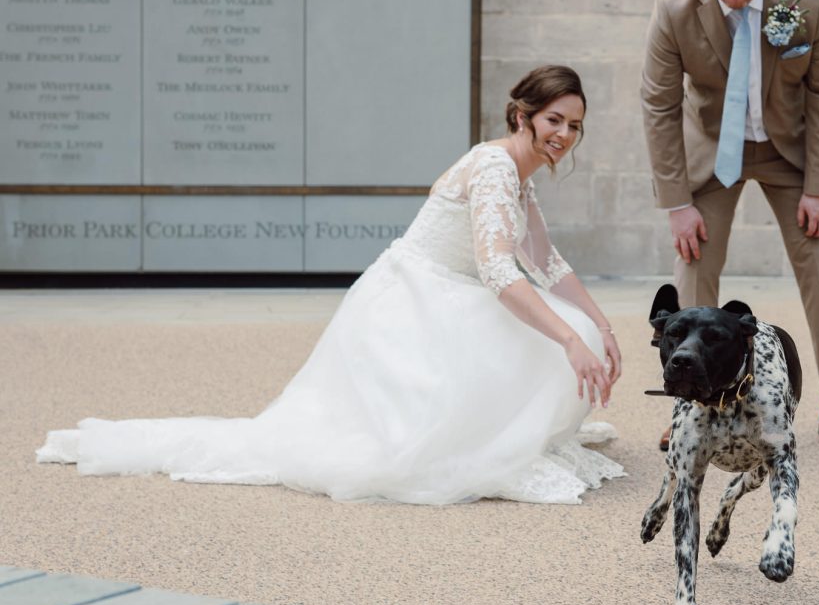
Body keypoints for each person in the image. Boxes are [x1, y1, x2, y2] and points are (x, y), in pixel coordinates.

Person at [38, 66, 627, 504]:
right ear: (523, 117)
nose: (565, 135)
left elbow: (546, 262)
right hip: (416, 298)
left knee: (573, 327)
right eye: (555, 121)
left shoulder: (522, 179)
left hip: (455, 291)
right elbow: (500, 271)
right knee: (554, 339)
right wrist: (571, 341)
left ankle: (510, 425)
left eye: (575, 125)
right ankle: (492, 438)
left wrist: (599, 327)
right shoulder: (496, 167)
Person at [641, 0, 819, 453]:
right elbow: (658, 104)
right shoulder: (673, 7)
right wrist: (677, 201)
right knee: (694, 259)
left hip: (787, 151)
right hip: (712, 154)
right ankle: (690, 403)